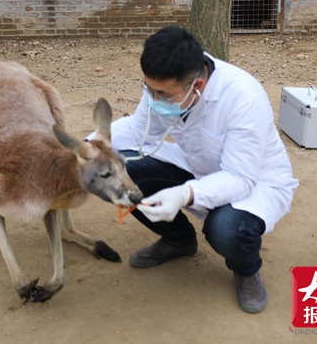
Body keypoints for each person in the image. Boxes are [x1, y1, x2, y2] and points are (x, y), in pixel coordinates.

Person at [107, 25, 298, 313]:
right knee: (115, 172)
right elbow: (138, 132)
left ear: (196, 86)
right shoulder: (167, 85)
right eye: (149, 90)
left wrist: (184, 194)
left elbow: (239, 178)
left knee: (225, 229)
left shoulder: (243, 97)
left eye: (162, 94)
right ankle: (179, 240)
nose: (153, 100)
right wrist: (88, 146)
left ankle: (246, 268)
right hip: (195, 166)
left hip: (254, 183)